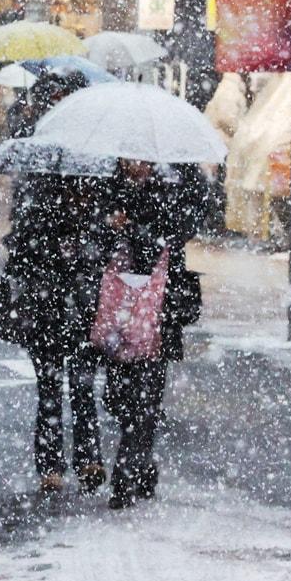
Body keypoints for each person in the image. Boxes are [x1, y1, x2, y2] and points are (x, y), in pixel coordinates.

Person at [90, 160, 204, 510]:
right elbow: (95, 236)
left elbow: (184, 226)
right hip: (121, 313)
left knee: (146, 399)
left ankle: (127, 474)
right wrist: (111, 226)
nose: (136, 166)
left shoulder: (179, 177)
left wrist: (138, 228)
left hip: (158, 309)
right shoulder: (108, 183)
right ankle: (141, 463)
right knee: (118, 398)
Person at [0, 174, 106, 494]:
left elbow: (106, 264)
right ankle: (53, 465)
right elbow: (20, 262)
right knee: (52, 391)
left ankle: (86, 458)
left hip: (82, 316)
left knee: (80, 388)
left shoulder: (99, 218)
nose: (81, 193)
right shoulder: (41, 216)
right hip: (46, 319)